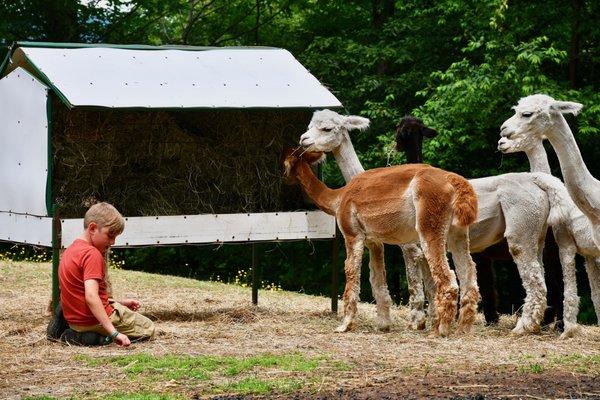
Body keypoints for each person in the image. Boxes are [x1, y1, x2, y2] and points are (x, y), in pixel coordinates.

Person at [48, 202, 155, 346]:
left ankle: (73, 331)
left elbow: (79, 292)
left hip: (75, 321)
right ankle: (91, 337)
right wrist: (114, 332)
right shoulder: (92, 254)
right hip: (92, 321)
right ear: (92, 228)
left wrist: (120, 303)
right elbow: (91, 296)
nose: (112, 242)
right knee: (148, 329)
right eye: (110, 236)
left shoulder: (70, 251)